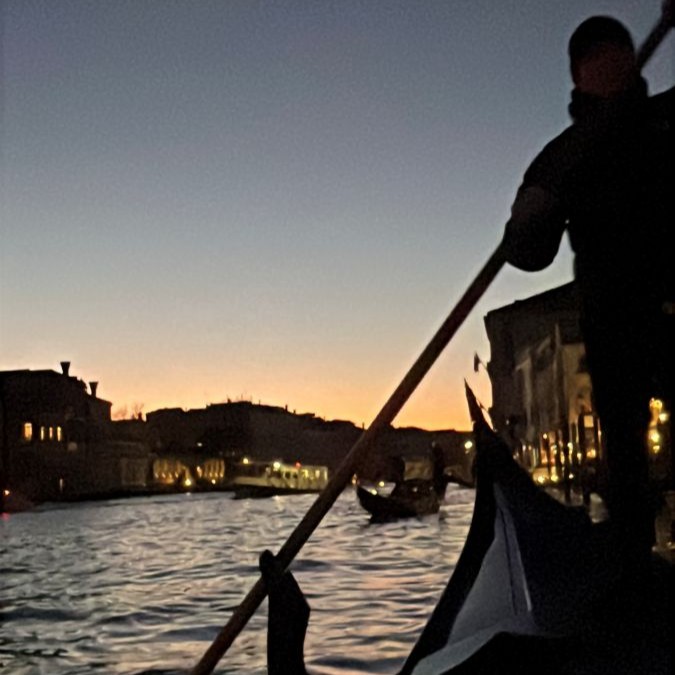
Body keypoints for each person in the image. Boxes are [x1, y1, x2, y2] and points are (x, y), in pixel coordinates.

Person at [502, 14, 674, 565]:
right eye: (597, 57)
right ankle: (632, 565)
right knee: (625, 450)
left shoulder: (667, 119)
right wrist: (527, 216)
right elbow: (528, 253)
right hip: (615, 316)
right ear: (578, 74)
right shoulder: (564, 157)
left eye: (617, 53)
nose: (610, 64)